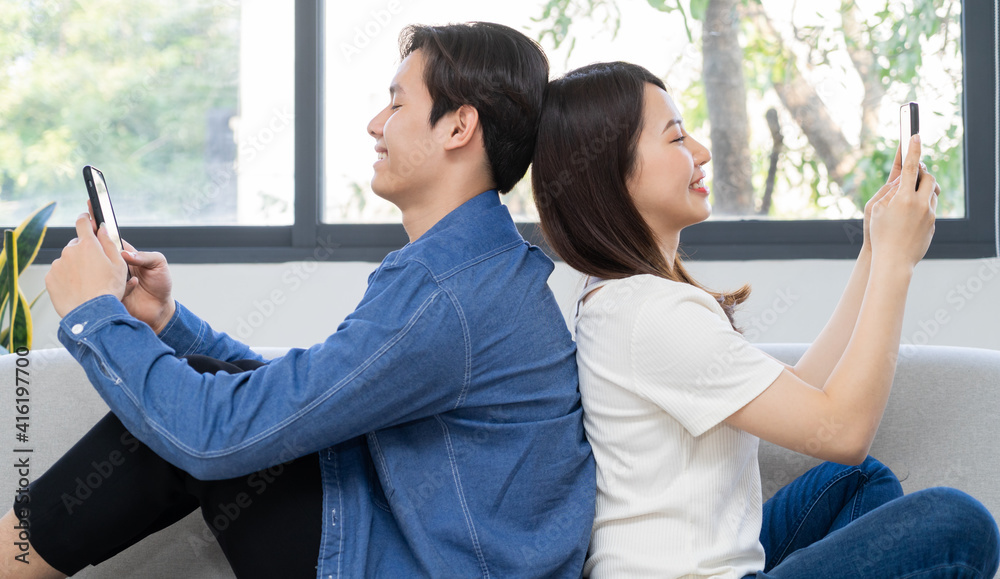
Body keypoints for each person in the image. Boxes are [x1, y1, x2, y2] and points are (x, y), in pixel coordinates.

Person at [0, 23, 595, 579]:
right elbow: (299, 403)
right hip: (425, 550)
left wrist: (92, 316)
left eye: (396, 103)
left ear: (458, 127)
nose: (374, 124)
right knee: (211, 389)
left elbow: (216, 437)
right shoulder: (472, 270)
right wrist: (168, 323)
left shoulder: (449, 294)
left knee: (199, 422)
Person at [531, 61, 999, 578]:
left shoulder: (626, 300)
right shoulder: (651, 316)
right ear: (612, 171)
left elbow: (804, 389)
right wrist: (896, 263)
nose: (702, 153)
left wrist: (873, 247)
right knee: (958, 523)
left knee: (858, 481)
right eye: (677, 138)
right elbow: (842, 429)